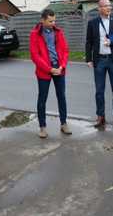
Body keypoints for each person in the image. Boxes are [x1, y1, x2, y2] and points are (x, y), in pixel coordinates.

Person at [29, 9, 71, 138]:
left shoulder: (58, 32)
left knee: (61, 97)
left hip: (59, 69)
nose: (53, 23)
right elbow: (35, 56)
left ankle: (64, 124)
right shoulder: (35, 34)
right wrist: (49, 69)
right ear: (42, 20)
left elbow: (65, 51)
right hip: (44, 71)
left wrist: (61, 66)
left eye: (54, 20)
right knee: (42, 98)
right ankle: (42, 127)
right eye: (50, 21)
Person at [85, 0, 113, 128]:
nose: (109, 8)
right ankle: (100, 117)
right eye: (106, 6)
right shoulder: (92, 23)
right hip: (99, 60)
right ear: (99, 8)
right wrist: (89, 59)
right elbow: (89, 42)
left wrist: (111, 41)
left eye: (110, 6)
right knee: (99, 91)